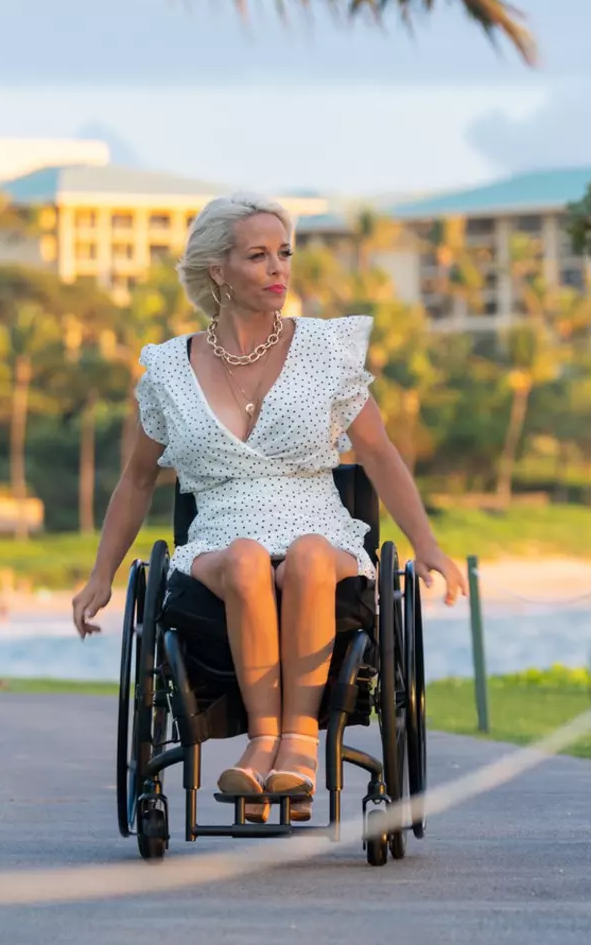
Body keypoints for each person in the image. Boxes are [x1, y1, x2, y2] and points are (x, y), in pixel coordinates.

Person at [72, 191, 466, 818]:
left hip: (319, 524)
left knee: (308, 557)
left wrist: (430, 547)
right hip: (219, 537)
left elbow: (380, 453)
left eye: (283, 253)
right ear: (217, 270)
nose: (278, 268)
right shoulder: (170, 370)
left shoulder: (323, 352)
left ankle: (299, 748)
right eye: (258, 256)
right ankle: (262, 744)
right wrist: (100, 576)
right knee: (249, 559)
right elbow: (138, 480)